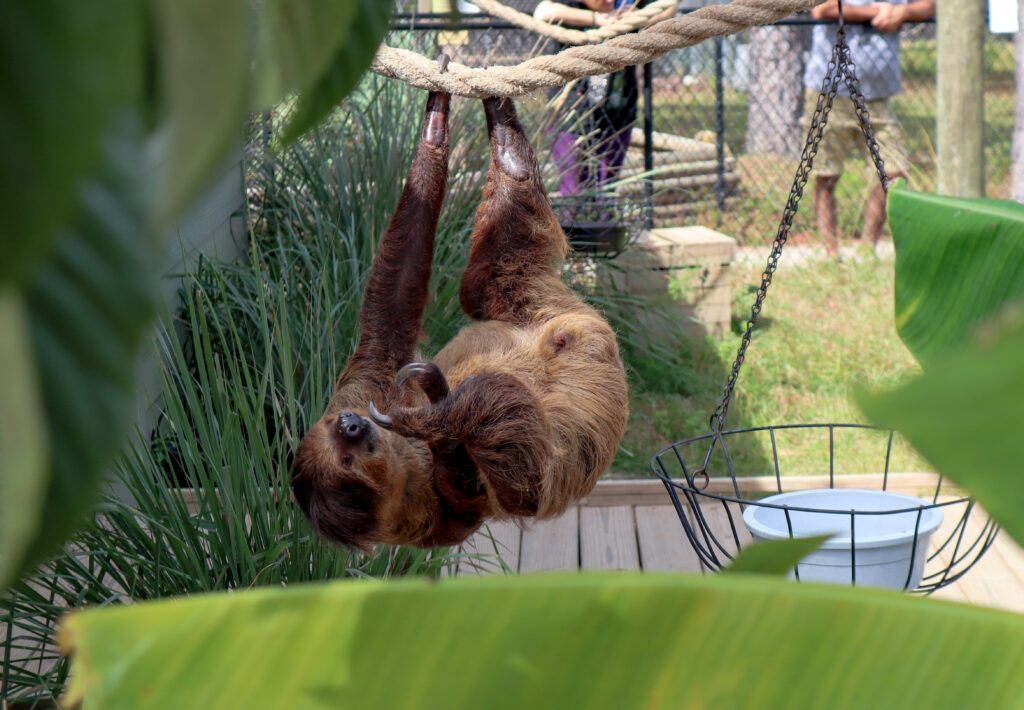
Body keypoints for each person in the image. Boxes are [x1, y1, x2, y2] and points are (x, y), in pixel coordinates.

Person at [803, 0, 935, 253]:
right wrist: (879, 12)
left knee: (893, 173)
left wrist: (903, 11)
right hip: (831, 89)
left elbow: (931, 5)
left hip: (879, 95)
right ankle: (830, 254)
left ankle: (867, 248)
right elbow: (823, 9)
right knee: (826, 173)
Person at [534, 1, 675, 200]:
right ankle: (574, 227)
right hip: (570, 109)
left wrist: (638, 17)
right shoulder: (572, 6)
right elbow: (542, 12)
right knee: (573, 191)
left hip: (617, 107)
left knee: (607, 187)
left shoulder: (627, 5)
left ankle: (605, 224)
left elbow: (669, 8)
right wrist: (597, 19)